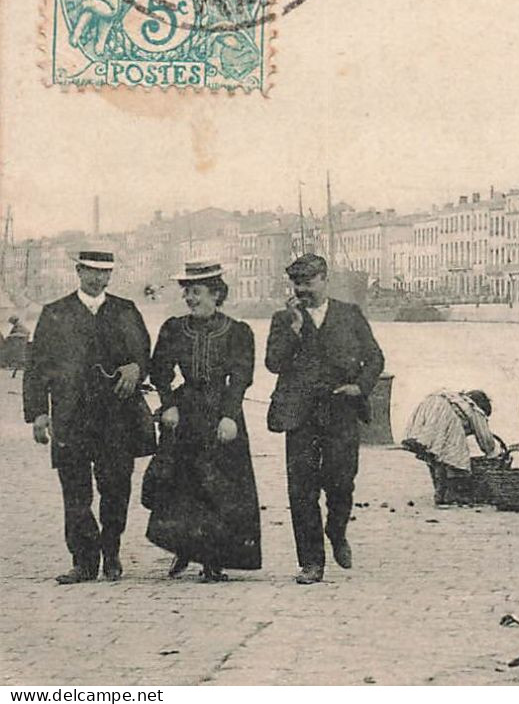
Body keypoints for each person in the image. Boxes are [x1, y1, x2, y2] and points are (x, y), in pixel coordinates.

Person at [23, 250, 153, 583]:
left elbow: (144, 353)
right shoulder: (55, 313)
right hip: (71, 417)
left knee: (116, 488)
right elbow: (37, 367)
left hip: (117, 417)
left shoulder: (126, 310)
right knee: (76, 493)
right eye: (91, 272)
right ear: (78, 271)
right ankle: (83, 561)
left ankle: (111, 553)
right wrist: (38, 413)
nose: (98, 279)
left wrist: (136, 367)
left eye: (104, 273)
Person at [266, 253, 385, 585]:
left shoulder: (349, 315)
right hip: (299, 414)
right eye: (297, 283)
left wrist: (359, 387)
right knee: (301, 490)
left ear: (324, 279)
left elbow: (374, 357)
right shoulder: (283, 319)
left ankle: (337, 530)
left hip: (340, 409)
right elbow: (273, 364)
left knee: (342, 482)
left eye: (308, 282)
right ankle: (311, 562)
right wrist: (294, 330)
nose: (302, 290)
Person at [144, 263, 261, 582]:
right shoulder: (173, 328)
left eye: (195, 292)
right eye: (187, 292)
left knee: (220, 487)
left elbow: (240, 377)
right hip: (185, 412)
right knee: (183, 486)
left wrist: (229, 416)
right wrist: (168, 405)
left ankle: (213, 560)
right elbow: (160, 372)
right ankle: (184, 550)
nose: (189, 298)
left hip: (221, 411)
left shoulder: (238, 332)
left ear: (216, 294)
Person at [402, 389, 502, 503]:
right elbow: (485, 438)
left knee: (435, 454)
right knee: (456, 456)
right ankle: (452, 493)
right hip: (444, 413)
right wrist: (493, 454)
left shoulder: (456, 399)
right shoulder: (474, 409)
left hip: (428, 405)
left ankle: (439, 492)